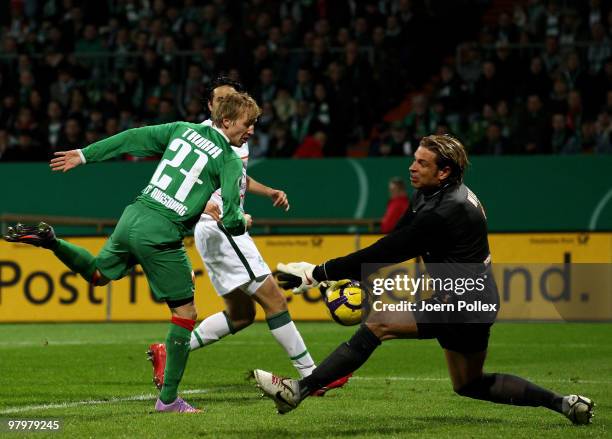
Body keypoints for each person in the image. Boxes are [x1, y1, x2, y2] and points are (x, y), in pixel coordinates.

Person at [252, 134, 595, 425]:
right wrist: (339, 276)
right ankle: (564, 404)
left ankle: (299, 391)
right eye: (414, 160)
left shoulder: (447, 210)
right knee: (468, 384)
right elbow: (397, 239)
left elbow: (390, 250)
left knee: (378, 325)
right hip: (471, 297)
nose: (412, 167)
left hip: (463, 300)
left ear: (444, 171)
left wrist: (318, 272)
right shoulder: (433, 195)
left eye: (422, 163)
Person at [4, 91, 262, 413]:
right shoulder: (230, 160)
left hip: (135, 215)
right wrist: (243, 221)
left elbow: (130, 138)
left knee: (98, 273)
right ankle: (168, 401)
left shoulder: (183, 129)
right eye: (248, 124)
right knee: (186, 315)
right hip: (162, 233)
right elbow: (234, 218)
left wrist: (85, 155)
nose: (251, 131)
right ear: (227, 121)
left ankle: (52, 241)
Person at [147, 77, 349, 395]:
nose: (231, 104)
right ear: (213, 108)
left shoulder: (238, 137)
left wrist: (268, 191)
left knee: (241, 315)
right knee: (276, 301)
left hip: (217, 231)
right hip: (222, 228)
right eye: (222, 100)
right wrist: (211, 209)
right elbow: (179, 180)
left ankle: (168, 351)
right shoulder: (202, 137)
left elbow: (238, 177)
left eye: (235, 98)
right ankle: (314, 375)